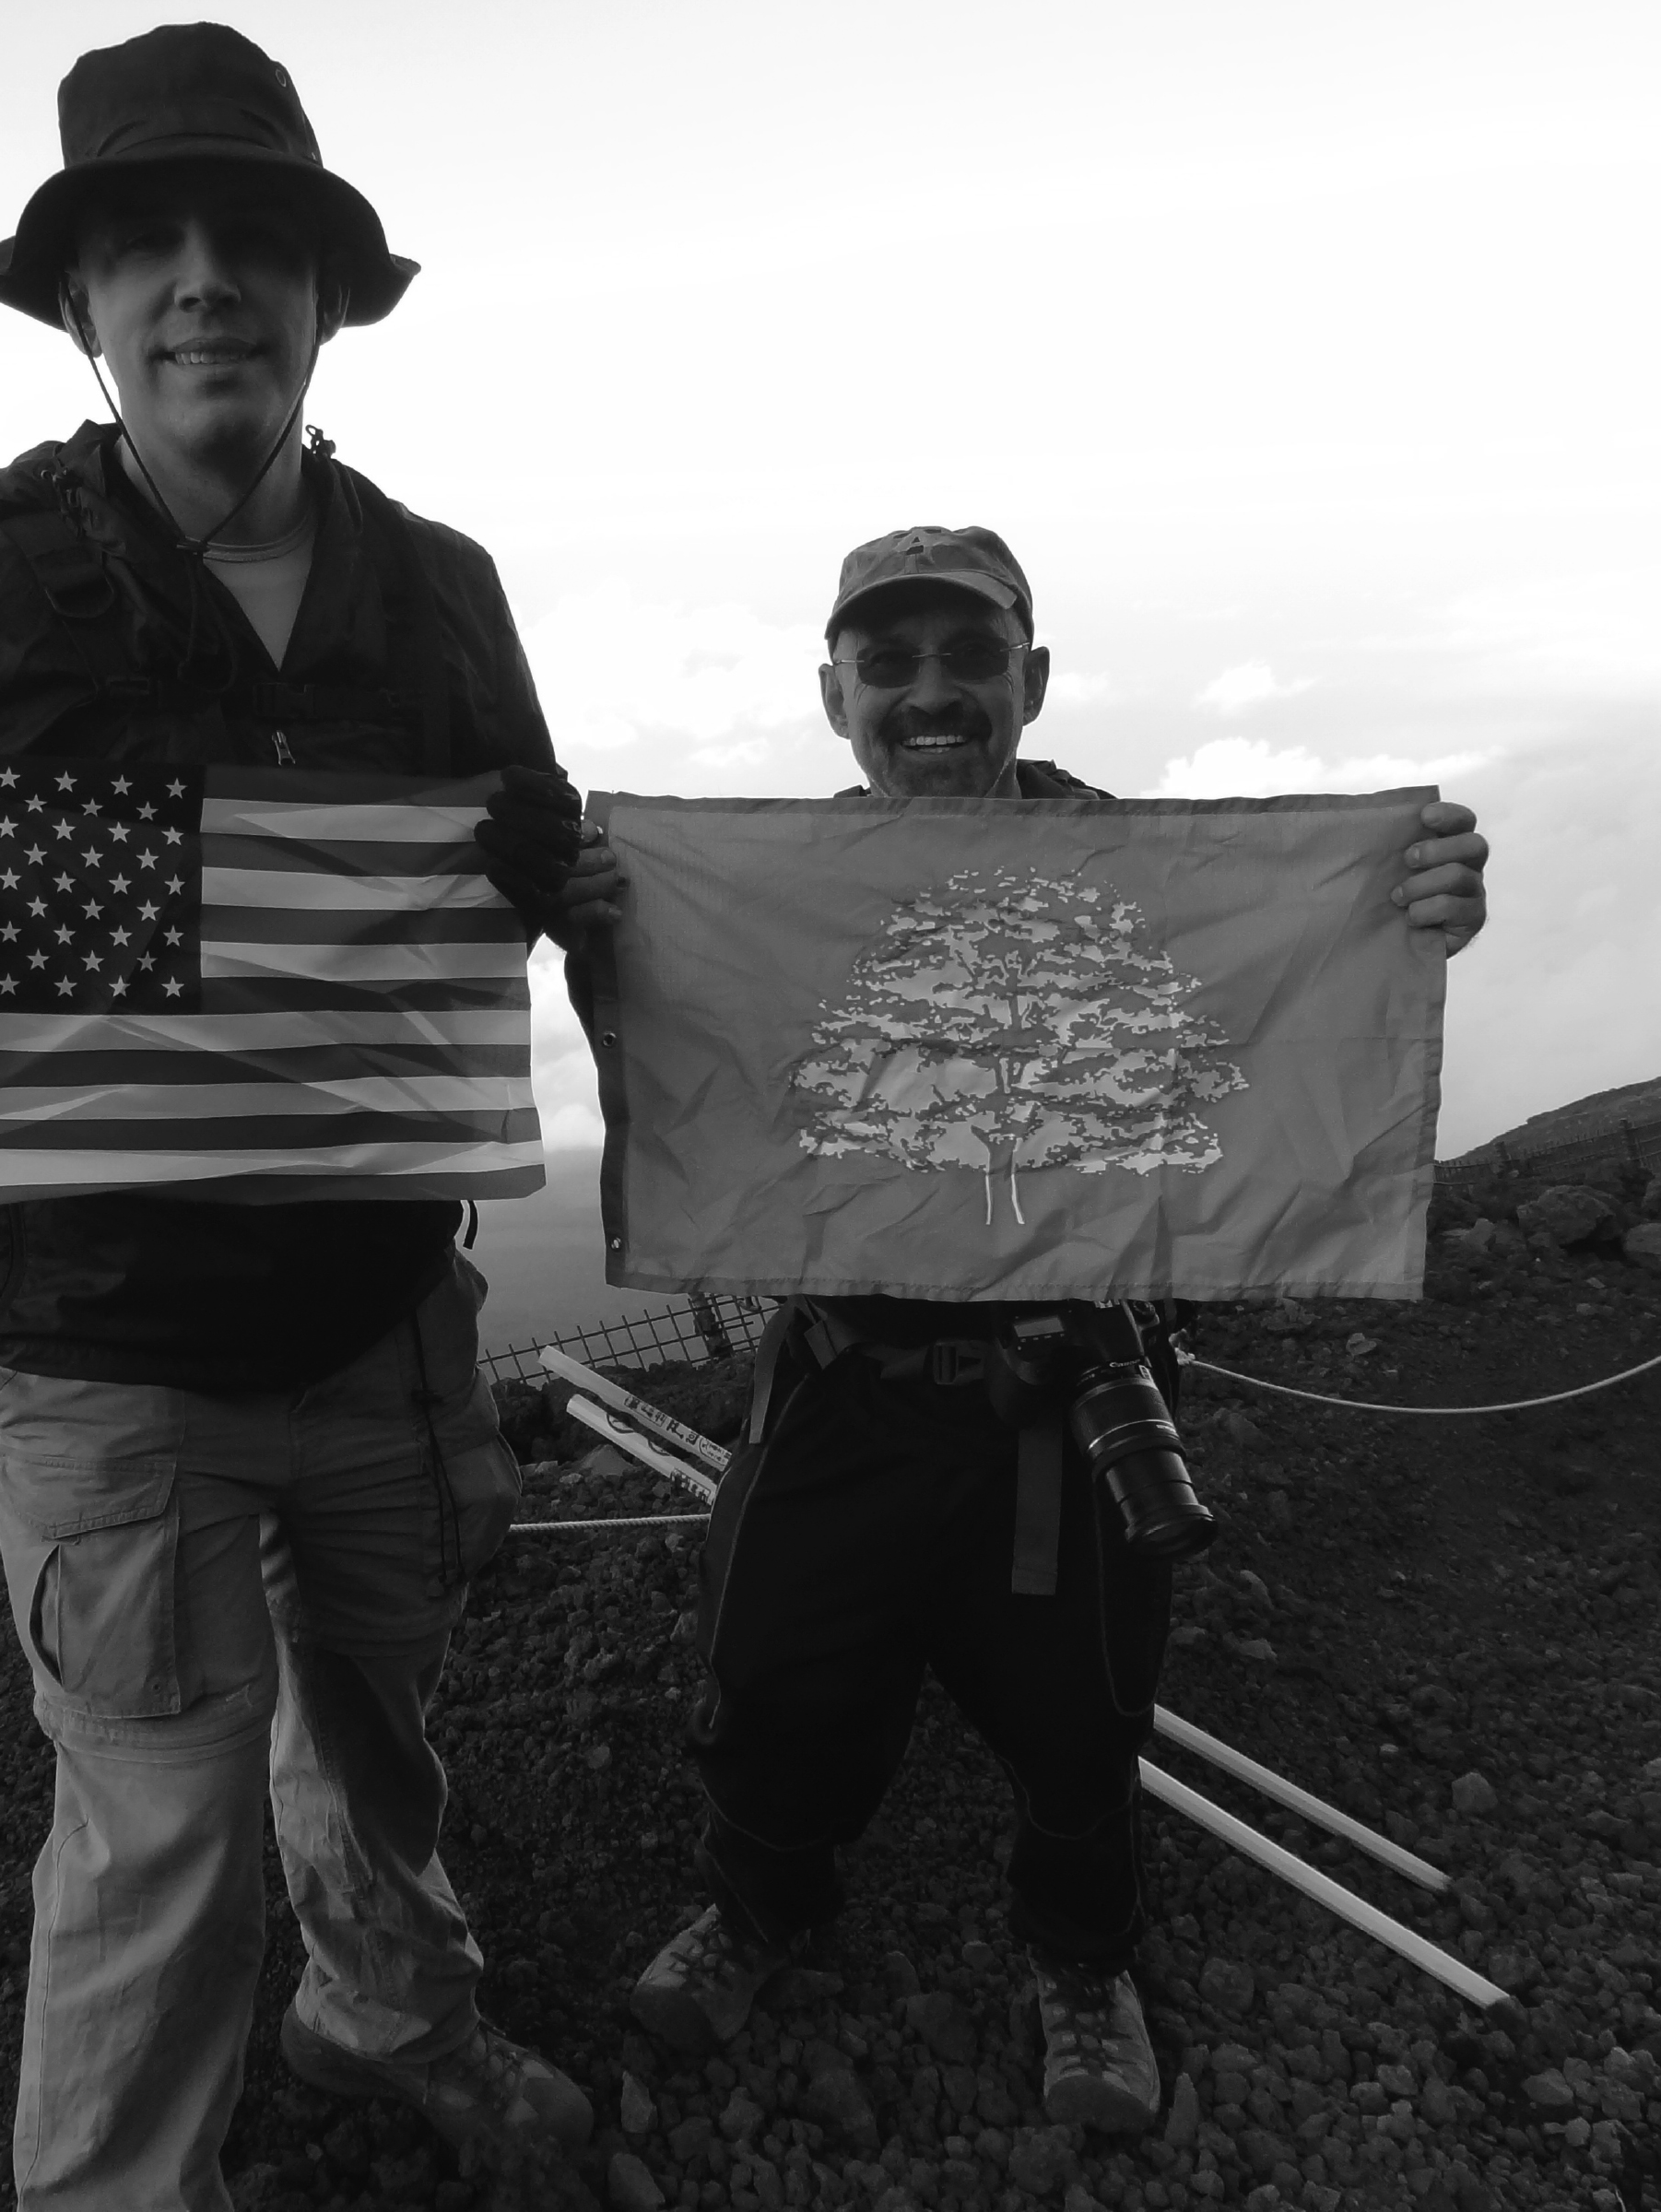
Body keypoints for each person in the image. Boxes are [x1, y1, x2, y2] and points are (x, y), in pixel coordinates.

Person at [0, 23, 603, 2212]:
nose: (202, 282)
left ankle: (387, 2009)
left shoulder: (438, 590)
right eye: (145, 245)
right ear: (79, 307)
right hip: (106, 1353)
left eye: (251, 239)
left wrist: (563, 883)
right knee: (159, 1819)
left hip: (377, 1307)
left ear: (323, 296)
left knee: (371, 1733)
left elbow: (514, 906)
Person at [610, 524, 1489, 2128]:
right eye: (890, 664)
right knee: (773, 1675)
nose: (931, 694)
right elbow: (679, 1046)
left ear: (1033, 678)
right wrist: (595, 919)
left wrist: (1406, 904)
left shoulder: (1138, 874)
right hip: (844, 1384)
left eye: (971, 657)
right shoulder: (770, 896)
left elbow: (1270, 1001)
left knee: (1083, 1708)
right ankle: (762, 1903)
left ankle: (1082, 1958)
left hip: (1066, 1396)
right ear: (834, 697)